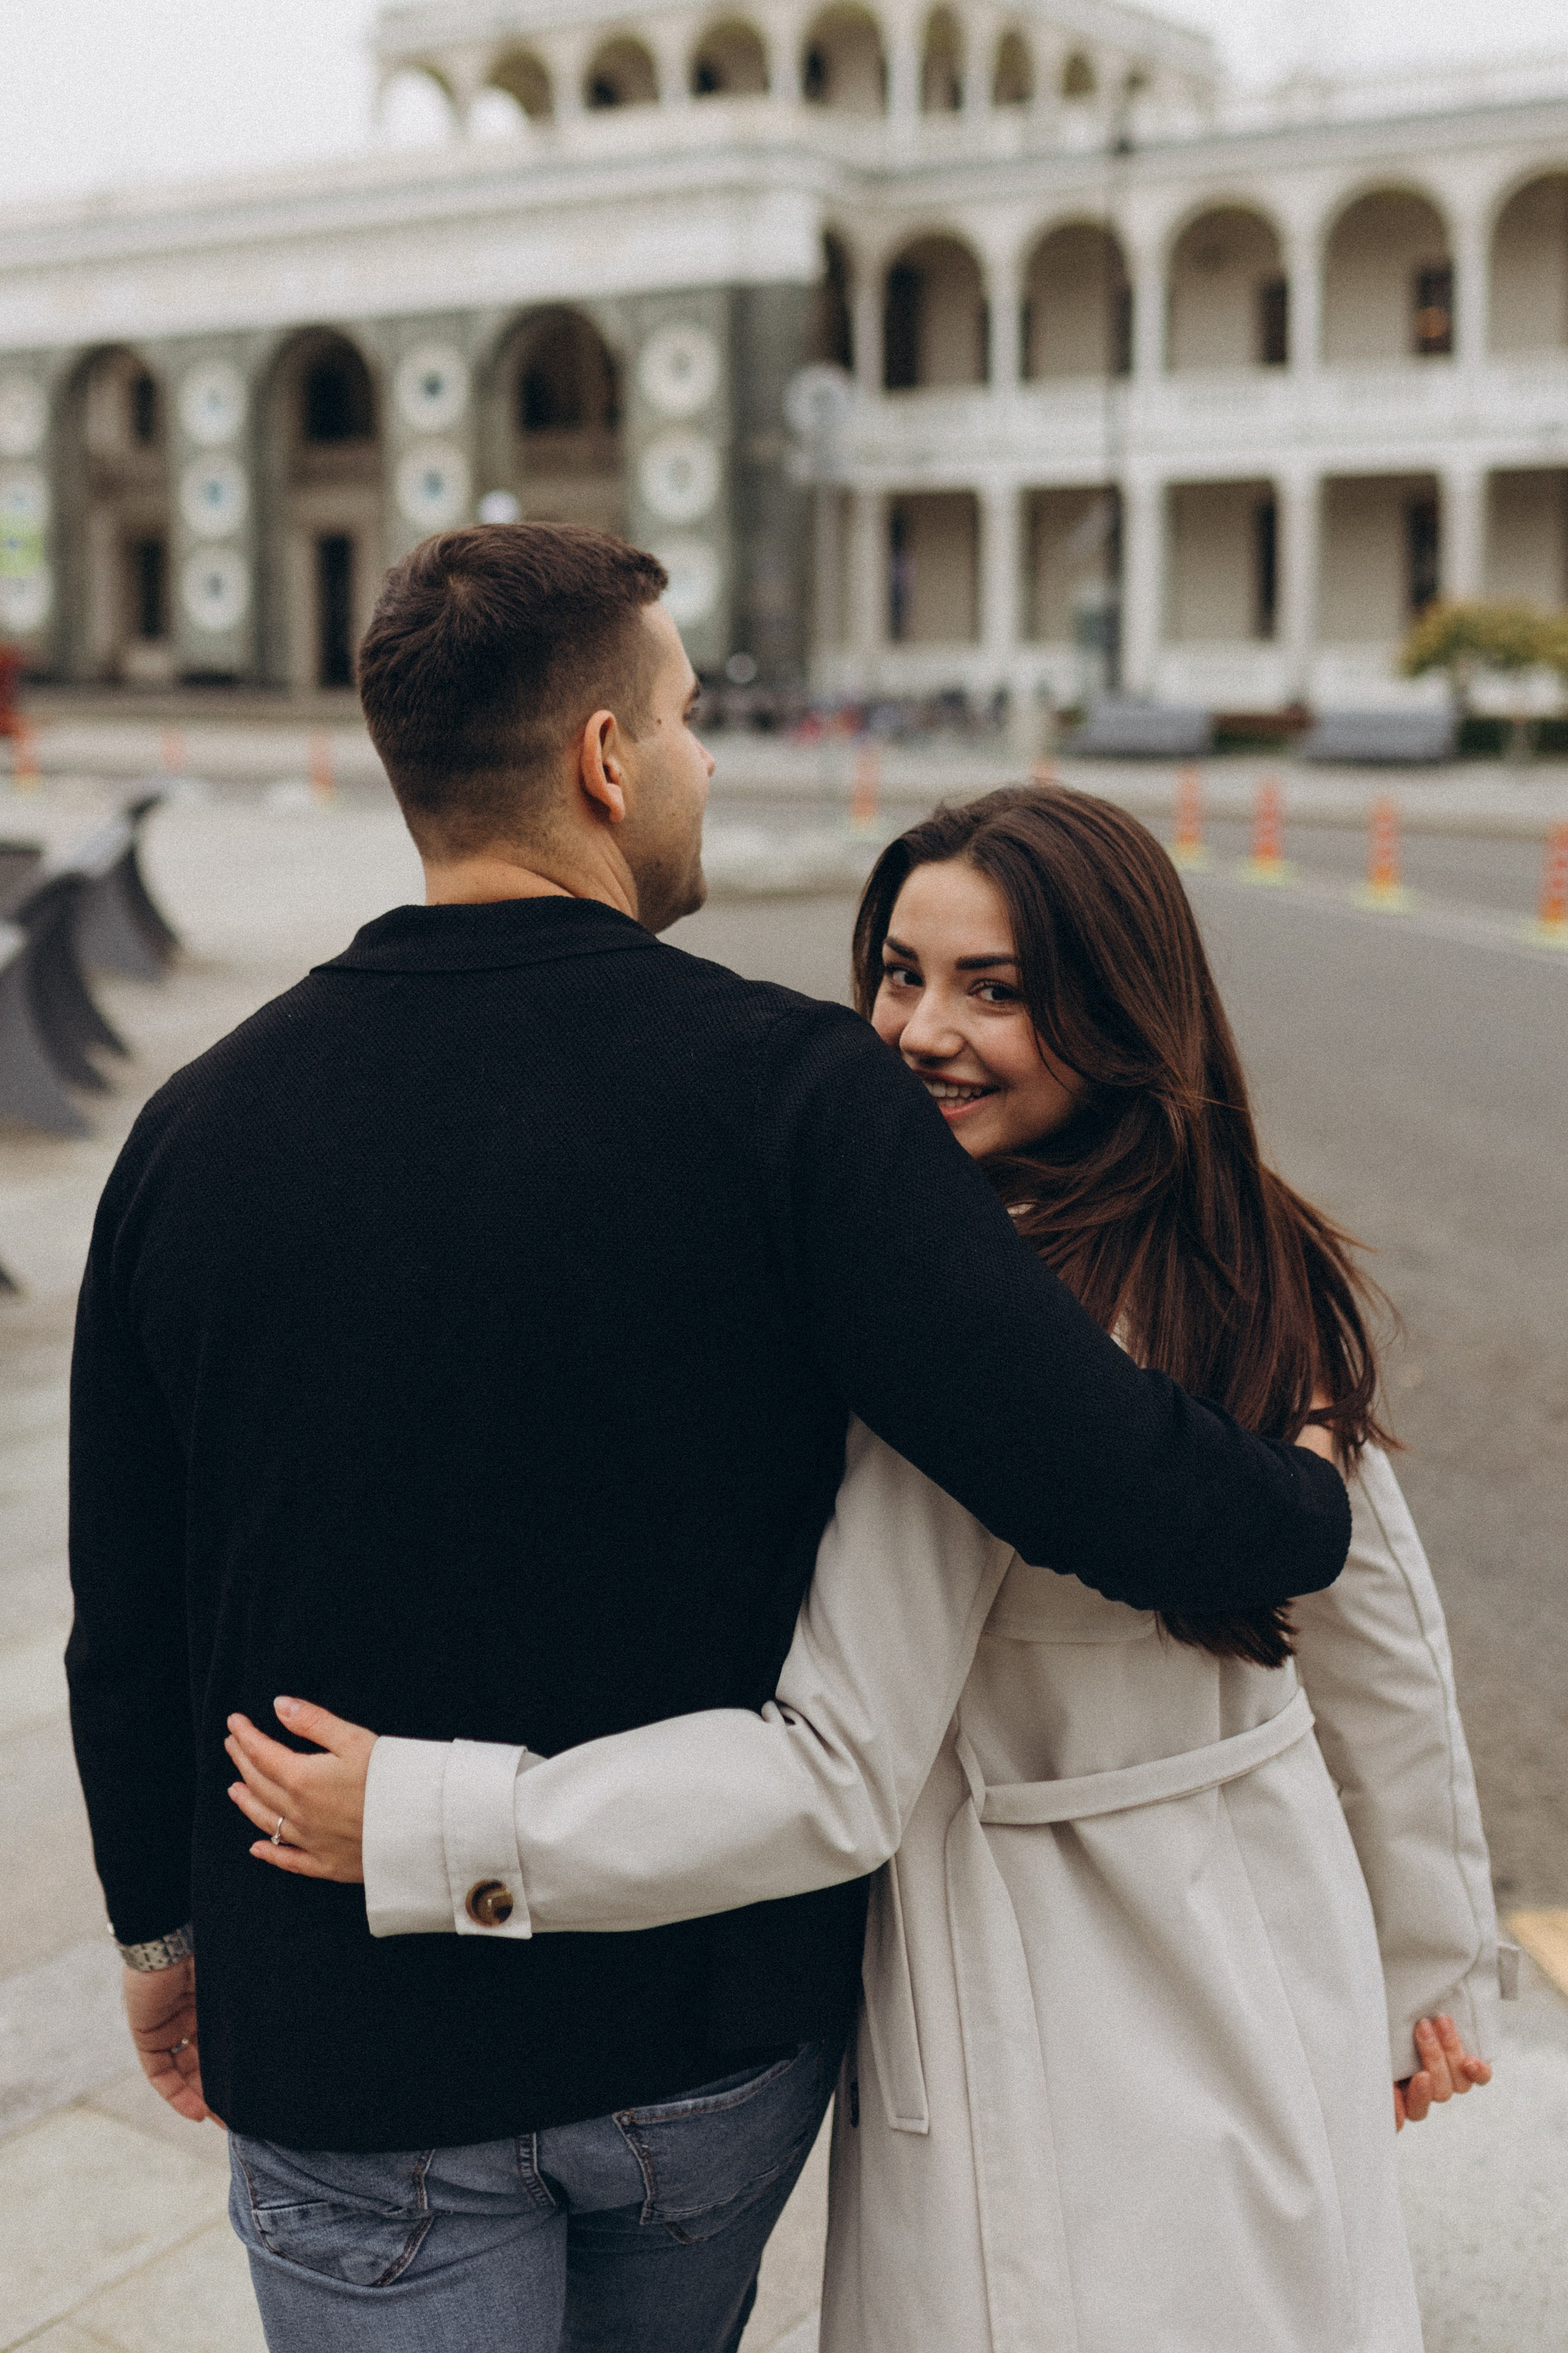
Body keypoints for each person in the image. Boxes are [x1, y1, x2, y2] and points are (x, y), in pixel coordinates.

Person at [68, 530, 1349, 2353]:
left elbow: (126, 1612)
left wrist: (157, 1942)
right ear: (603, 758)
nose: (705, 757)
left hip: (346, 2027)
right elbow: (1086, 1463)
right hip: (699, 2033)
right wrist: (1304, 1507)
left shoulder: (193, 1137)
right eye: (684, 716)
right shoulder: (794, 1099)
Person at [228, 787, 1501, 2353]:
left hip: (1065, 2001)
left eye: (995, 989)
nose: (917, 1030)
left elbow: (835, 1771)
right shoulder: (1248, 1242)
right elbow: (1379, 1636)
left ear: (1115, 1007)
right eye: (899, 973)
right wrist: (1423, 1965)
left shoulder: (967, 1327)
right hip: (1278, 1950)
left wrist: (437, 1823)